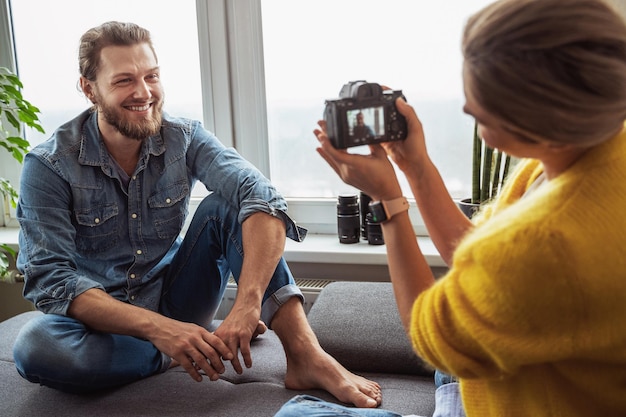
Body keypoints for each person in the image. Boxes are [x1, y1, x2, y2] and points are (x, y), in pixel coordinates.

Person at [275, 0, 626, 415]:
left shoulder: (545, 241)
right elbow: (479, 253)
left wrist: (388, 201)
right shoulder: (581, 153)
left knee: (299, 412)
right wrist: (416, 168)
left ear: (533, 112)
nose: (467, 107)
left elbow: (431, 340)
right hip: (531, 363)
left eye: (481, 98)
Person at [11, 21, 382, 408]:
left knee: (230, 206)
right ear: (90, 89)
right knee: (36, 347)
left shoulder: (183, 136)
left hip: (178, 298)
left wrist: (247, 305)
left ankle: (306, 354)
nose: (144, 92)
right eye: (124, 81)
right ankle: (180, 349)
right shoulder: (49, 165)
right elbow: (51, 279)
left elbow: (263, 196)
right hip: (101, 323)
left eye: (151, 76)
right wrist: (163, 333)